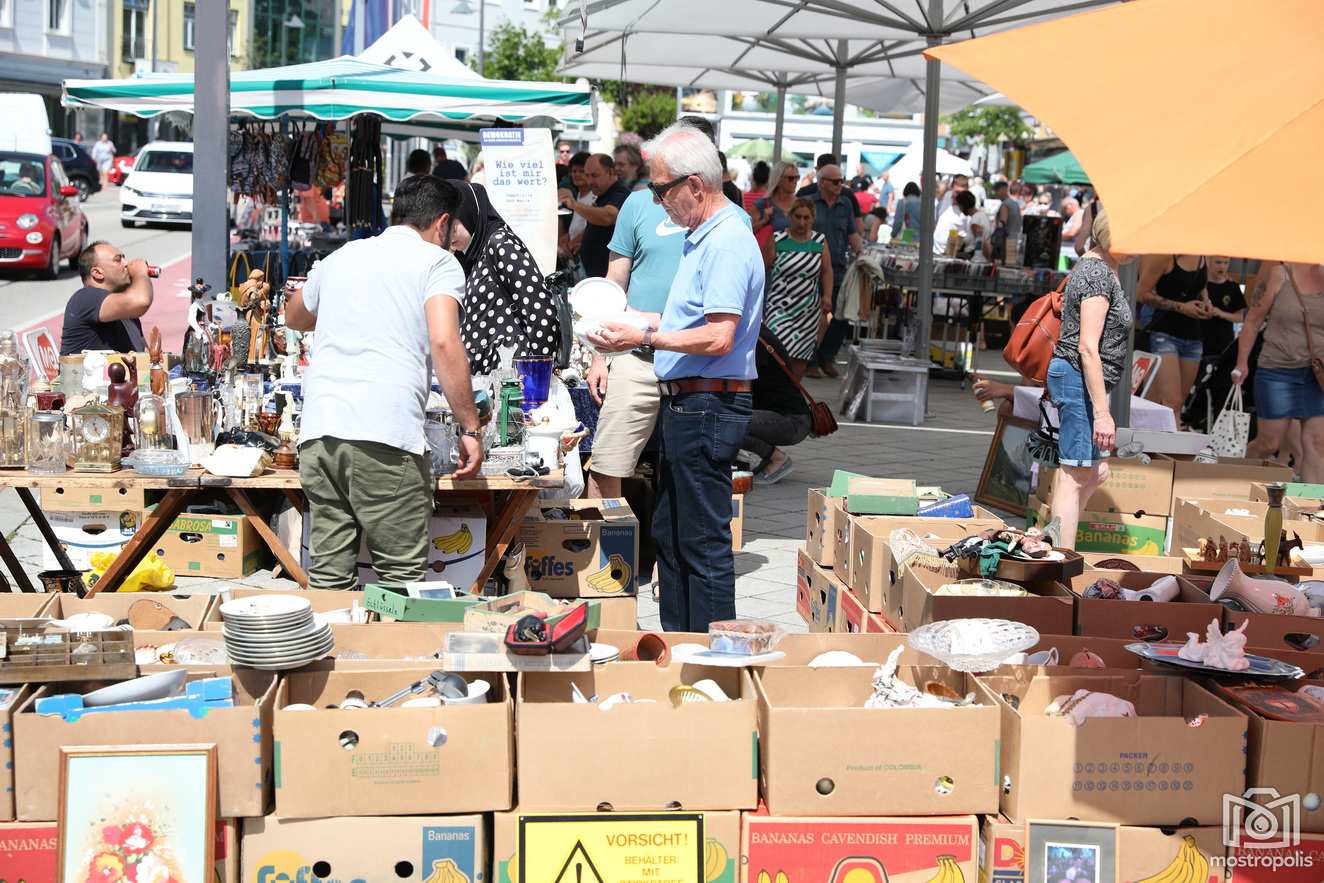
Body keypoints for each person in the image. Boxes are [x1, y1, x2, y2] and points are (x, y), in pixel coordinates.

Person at [588, 121, 764, 633]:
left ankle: (709, 658)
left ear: (694, 185)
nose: (655, 200)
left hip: (708, 405)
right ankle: (683, 648)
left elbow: (718, 337)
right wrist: (638, 324)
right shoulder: (704, 235)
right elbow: (691, 326)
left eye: (660, 188)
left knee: (702, 541)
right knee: (672, 532)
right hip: (692, 403)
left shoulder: (726, 239)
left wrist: (643, 338)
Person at [284, 175, 482, 589]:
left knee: (328, 577)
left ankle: (326, 650)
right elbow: (444, 340)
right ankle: (392, 651)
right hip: (385, 437)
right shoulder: (438, 262)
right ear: (442, 223)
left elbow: (295, 317)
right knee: (399, 583)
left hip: (321, 433)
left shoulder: (342, 256)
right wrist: (469, 427)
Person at [586, 117, 752, 501]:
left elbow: (728, 315)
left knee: (681, 475)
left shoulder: (728, 221)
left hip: (695, 363)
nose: (660, 193)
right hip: (635, 353)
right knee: (607, 465)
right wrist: (600, 352)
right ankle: (609, 559)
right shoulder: (638, 203)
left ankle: (665, 562)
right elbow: (615, 280)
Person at [1046, 205, 1134, 550]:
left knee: (1093, 472)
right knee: (1076, 472)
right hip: (1076, 377)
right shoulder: (1097, 273)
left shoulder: (1104, 269)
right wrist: (1102, 412)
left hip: (1083, 379)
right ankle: (1060, 556)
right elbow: (1087, 347)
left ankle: (1058, 547)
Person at [446, 180, 561, 375]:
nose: (448, 236)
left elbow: (541, 312)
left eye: (453, 227)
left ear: (469, 214)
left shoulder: (500, 243)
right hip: (484, 375)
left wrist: (536, 377)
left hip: (510, 378)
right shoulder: (470, 253)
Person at [1234, 262, 1324, 481]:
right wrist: (1241, 363)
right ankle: (1235, 480)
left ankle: (1311, 509)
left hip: (1318, 374)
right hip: (1277, 369)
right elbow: (1253, 320)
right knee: (1269, 443)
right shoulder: (1279, 272)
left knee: (1318, 444)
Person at [762, 198, 830, 375]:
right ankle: (774, 396)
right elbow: (762, 269)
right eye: (798, 217)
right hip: (778, 306)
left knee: (799, 361)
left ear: (812, 218)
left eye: (806, 218)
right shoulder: (777, 239)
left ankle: (792, 398)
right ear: (790, 216)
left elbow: (826, 271)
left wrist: (827, 296)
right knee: (776, 352)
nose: (802, 222)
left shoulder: (819, 241)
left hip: (807, 310)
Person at [807, 164, 862, 378]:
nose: (841, 185)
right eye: (836, 181)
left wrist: (862, 254)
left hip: (838, 267)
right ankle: (810, 359)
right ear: (822, 182)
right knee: (812, 316)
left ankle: (827, 357)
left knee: (840, 315)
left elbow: (852, 233)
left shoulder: (845, 204)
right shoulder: (810, 203)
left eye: (842, 181)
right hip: (812, 266)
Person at [1139, 255, 1209, 413]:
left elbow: (1202, 287)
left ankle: (1156, 432)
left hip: (1193, 336)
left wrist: (1207, 302)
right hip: (1165, 332)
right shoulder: (1164, 256)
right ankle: (1153, 433)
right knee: (1171, 401)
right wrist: (1181, 307)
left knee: (1176, 404)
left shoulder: (1203, 255)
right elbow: (1142, 293)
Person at [743, 326, 812, 484]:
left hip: (792, 422)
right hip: (781, 416)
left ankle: (777, 459)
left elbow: (744, 391)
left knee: (730, 422)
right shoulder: (754, 332)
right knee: (726, 419)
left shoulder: (754, 339)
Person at [60, 242, 153, 355]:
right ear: (97, 273)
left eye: (124, 258)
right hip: (87, 372)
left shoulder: (123, 307)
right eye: (118, 260)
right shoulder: (86, 298)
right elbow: (141, 301)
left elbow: (144, 353)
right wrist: (140, 273)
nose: (126, 264)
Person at [564, 153, 629, 278]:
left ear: (610, 172)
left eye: (594, 175)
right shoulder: (604, 194)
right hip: (592, 273)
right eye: (587, 176)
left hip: (607, 278)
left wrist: (574, 204)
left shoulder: (620, 193)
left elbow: (607, 216)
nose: (590, 181)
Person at [1200, 256, 1246, 366]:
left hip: (1222, 345)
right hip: (1199, 343)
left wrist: (1221, 314)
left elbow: (1241, 316)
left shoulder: (1232, 287)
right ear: (1208, 261)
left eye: (1226, 263)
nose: (1222, 266)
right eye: (1218, 262)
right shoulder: (1200, 285)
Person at [751, 160, 798, 248]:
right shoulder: (762, 204)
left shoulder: (800, 204)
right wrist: (763, 221)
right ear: (778, 179)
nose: (795, 181)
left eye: (797, 177)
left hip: (796, 257)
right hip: (770, 257)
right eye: (791, 178)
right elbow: (748, 232)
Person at [558, 151, 593, 262]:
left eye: (581, 171)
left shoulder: (594, 196)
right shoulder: (579, 194)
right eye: (574, 171)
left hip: (583, 254)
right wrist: (568, 236)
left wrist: (572, 243)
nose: (576, 174)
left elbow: (591, 226)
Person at [932, 189, 977, 256]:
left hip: (947, 252)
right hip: (939, 251)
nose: (954, 195)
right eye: (955, 192)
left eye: (958, 193)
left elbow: (966, 237)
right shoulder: (948, 200)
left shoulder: (966, 215)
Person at [990, 180, 1022, 262]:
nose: (995, 194)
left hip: (1006, 244)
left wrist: (994, 240)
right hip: (1015, 241)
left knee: (1004, 268)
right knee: (1011, 266)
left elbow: (1002, 223)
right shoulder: (1015, 204)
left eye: (996, 191)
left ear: (1003, 190)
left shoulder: (1005, 205)